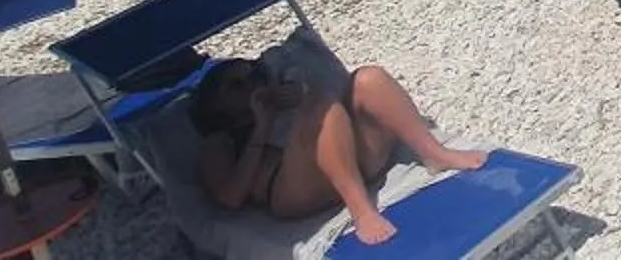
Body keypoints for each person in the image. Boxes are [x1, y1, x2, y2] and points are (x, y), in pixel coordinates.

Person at [192, 58, 486, 246]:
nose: (252, 86)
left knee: (369, 79)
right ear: (216, 108)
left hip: (350, 161)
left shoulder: (288, 99)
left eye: (255, 75)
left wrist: (299, 98)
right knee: (322, 108)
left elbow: (334, 112)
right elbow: (229, 199)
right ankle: (361, 209)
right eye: (236, 86)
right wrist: (262, 126)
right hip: (295, 192)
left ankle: (434, 153)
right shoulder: (220, 142)